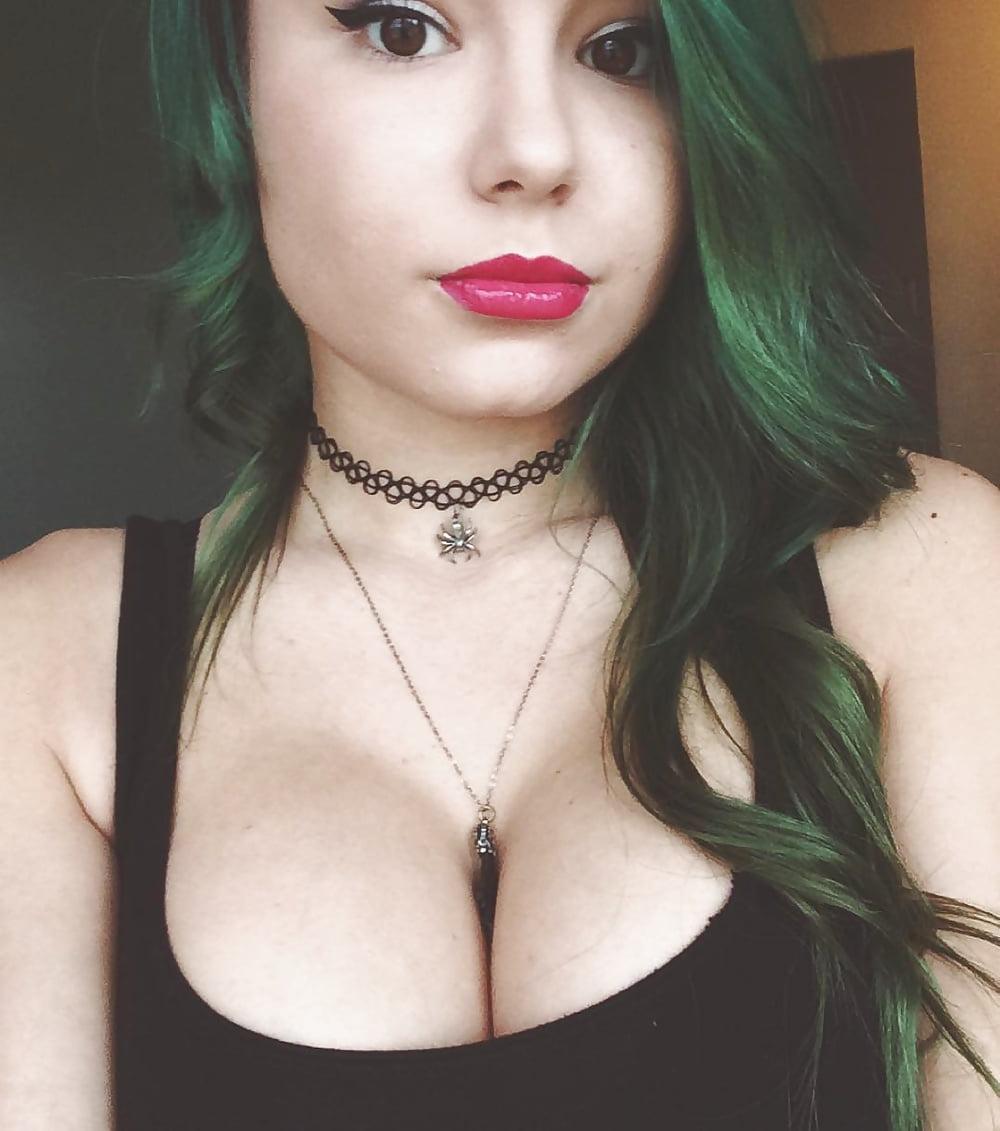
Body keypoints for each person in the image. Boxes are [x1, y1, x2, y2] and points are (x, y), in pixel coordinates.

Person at [2, 1, 999, 1129]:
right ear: (231, 78)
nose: (535, 151)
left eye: (619, 49)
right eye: (403, 30)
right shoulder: (41, 665)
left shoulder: (919, 570)